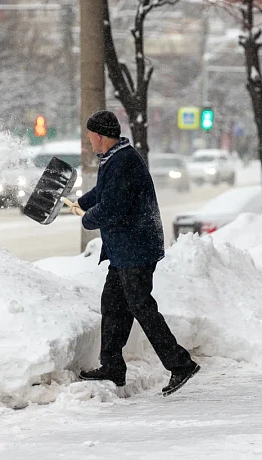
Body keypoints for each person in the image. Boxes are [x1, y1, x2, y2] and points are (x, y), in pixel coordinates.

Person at [68, 110, 199, 396]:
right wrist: (78, 202)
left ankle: (180, 364)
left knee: (141, 306)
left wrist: (86, 219)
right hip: (125, 248)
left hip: (136, 247)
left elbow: (113, 207)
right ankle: (112, 366)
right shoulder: (115, 157)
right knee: (113, 304)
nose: (89, 141)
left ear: (100, 136)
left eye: (90, 135)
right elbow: (103, 193)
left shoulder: (124, 162)